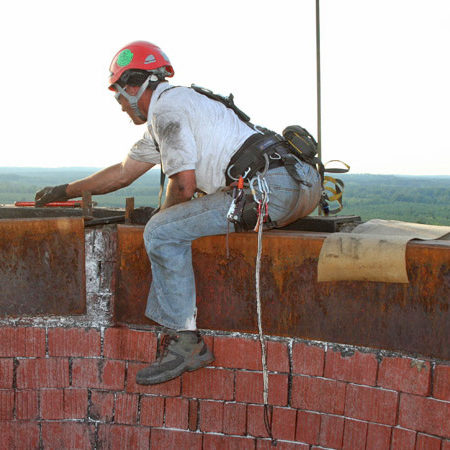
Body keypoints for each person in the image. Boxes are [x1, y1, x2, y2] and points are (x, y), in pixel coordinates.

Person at [35, 41, 322, 385]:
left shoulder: (165, 112)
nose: (121, 107)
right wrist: (66, 190)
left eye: (118, 96)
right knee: (167, 223)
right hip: (299, 183)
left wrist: (161, 217)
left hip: (270, 190)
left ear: (132, 87)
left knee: (160, 232)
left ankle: (187, 344)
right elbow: (123, 172)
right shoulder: (181, 106)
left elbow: (183, 186)